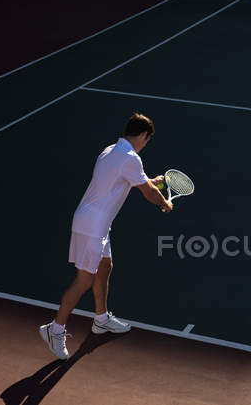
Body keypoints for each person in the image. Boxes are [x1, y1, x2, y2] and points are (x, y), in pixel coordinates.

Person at [39, 112, 172, 359]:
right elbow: (148, 193)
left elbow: (125, 182)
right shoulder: (131, 158)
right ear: (143, 135)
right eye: (147, 140)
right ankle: (54, 330)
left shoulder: (110, 150)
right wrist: (164, 203)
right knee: (84, 281)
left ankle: (101, 319)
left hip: (93, 221)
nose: (145, 144)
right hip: (93, 226)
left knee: (105, 266)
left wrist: (152, 183)